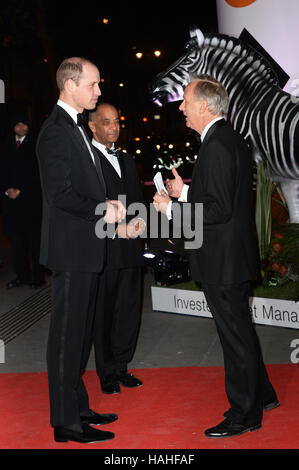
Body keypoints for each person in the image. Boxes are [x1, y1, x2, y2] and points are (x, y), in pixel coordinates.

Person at [153, 76, 279, 439]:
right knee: (241, 332)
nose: (181, 108)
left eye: (186, 101)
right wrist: (185, 191)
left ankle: (244, 414)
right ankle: (264, 395)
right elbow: (221, 196)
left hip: (223, 259)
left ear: (205, 105)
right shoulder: (226, 139)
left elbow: (219, 209)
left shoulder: (218, 144)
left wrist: (172, 210)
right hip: (229, 256)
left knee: (234, 336)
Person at [36, 57, 127, 444]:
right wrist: (102, 207)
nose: (99, 91)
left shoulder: (74, 129)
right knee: (65, 339)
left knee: (79, 336)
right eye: (93, 84)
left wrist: (110, 207)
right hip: (71, 251)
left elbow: (85, 186)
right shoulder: (55, 131)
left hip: (86, 248)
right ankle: (66, 424)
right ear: (70, 84)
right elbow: (59, 195)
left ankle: (80, 408)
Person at [88, 103, 145, 394]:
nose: (114, 128)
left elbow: (137, 199)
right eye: (106, 122)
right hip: (106, 249)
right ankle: (107, 372)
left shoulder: (127, 159)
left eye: (117, 122)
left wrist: (142, 223)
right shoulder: (88, 161)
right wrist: (115, 230)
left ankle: (122, 367)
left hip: (131, 249)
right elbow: (87, 208)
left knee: (129, 309)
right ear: (93, 126)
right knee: (105, 312)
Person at [0, 113, 45, 289]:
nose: (21, 127)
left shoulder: (36, 145)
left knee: (35, 243)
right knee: (17, 244)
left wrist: (21, 189)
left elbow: (38, 173)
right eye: (17, 125)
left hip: (31, 203)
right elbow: (2, 171)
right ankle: (22, 276)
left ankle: (38, 277)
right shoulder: (6, 146)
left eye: (24, 124)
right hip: (12, 204)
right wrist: (7, 189)